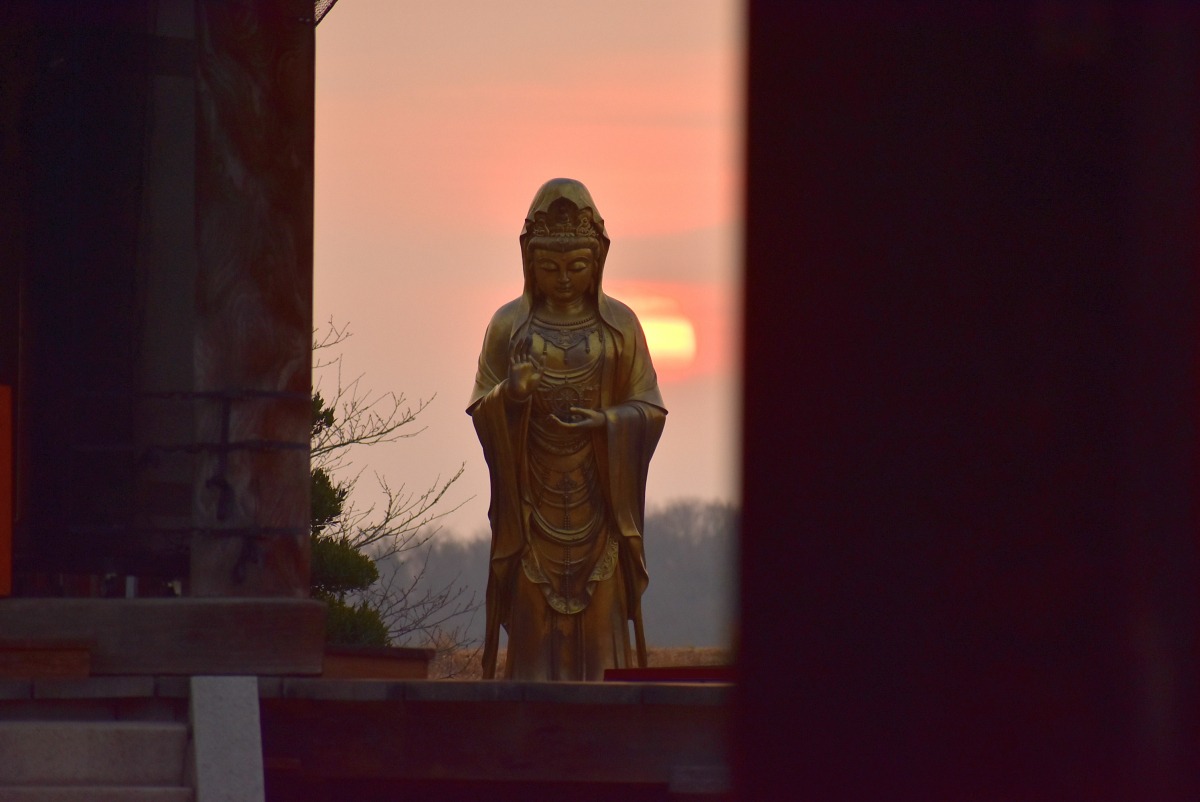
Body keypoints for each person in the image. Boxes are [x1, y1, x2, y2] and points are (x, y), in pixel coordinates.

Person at [468, 178, 666, 680]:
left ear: (597, 262)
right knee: (534, 639)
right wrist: (510, 397)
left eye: (577, 266)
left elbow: (649, 407)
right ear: (528, 262)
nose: (562, 279)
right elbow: (481, 406)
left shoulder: (619, 326)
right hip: (531, 508)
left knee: (602, 645)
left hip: (599, 503)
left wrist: (609, 421)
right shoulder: (508, 327)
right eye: (549, 267)